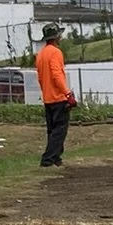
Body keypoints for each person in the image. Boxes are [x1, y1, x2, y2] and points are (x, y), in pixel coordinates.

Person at [35, 24, 76, 167]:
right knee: (59, 131)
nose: (61, 37)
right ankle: (48, 159)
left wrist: (45, 91)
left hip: (48, 98)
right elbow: (57, 75)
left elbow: (40, 77)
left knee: (52, 130)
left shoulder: (41, 54)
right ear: (56, 37)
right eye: (59, 35)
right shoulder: (56, 52)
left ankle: (56, 157)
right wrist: (67, 93)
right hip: (58, 98)